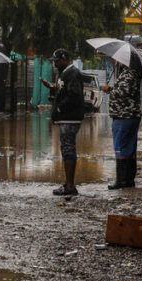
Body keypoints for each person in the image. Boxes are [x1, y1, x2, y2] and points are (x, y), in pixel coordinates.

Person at [41, 49, 85, 196]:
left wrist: (60, 106)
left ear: (65, 59)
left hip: (70, 118)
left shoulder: (72, 73)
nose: (55, 64)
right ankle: (68, 183)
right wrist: (53, 88)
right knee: (66, 149)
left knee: (68, 149)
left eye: (57, 61)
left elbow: (74, 95)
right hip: (66, 118)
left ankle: (70, 186)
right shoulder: (65, 73)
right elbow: (65, 90)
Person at [103, 61, 142, 189]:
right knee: (130, 148)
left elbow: (123, 93)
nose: (117, 62)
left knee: (120, 147)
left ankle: (121, 180)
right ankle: (129, 180)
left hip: (124, 116)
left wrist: (108, 89)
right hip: (130, 116)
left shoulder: (128, 75)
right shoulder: (132, 74)